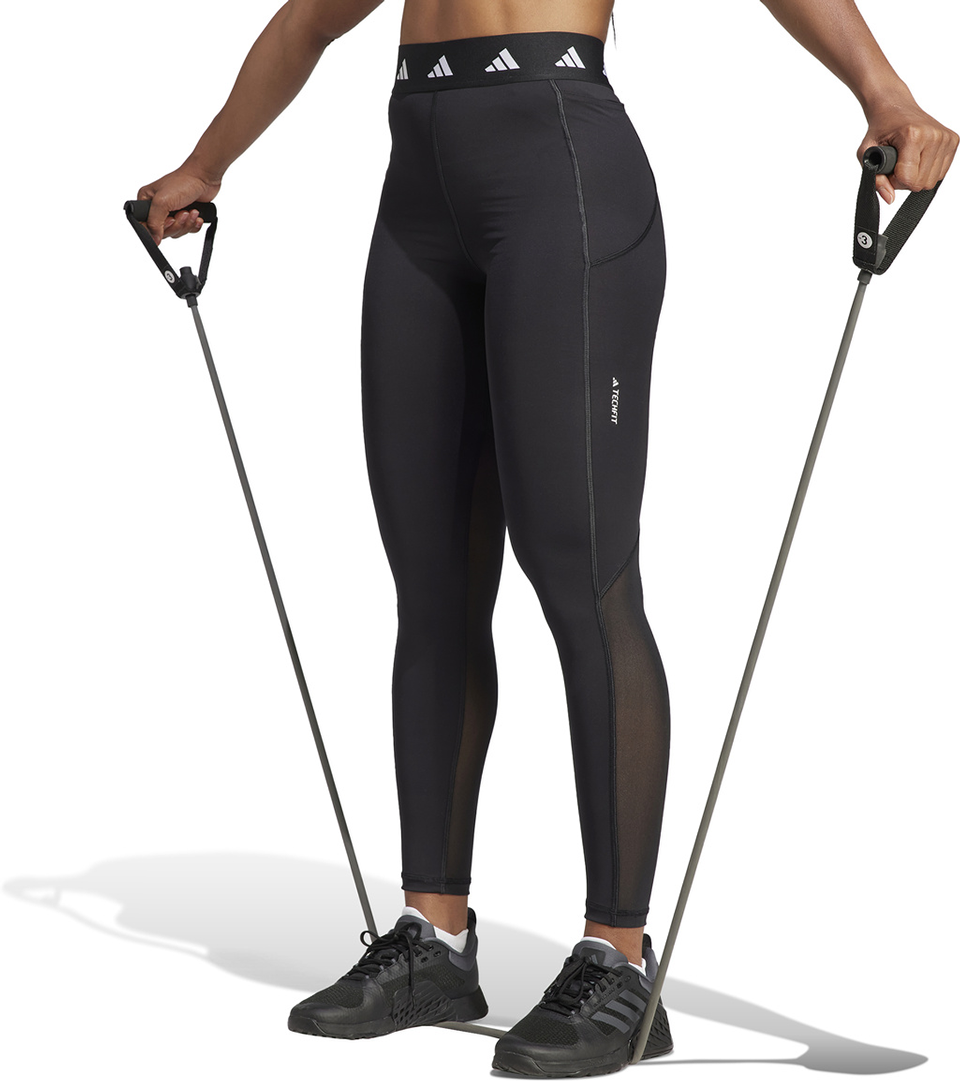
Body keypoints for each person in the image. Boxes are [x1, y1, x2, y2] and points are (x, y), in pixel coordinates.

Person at [137, 1, 956, 1075]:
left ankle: (620, 961)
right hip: (417, 196)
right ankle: (435, 938)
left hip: (559, 177)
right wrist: (208, 165)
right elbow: (309, 23)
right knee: (431, 579)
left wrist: (884, 93)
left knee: (582, 575)